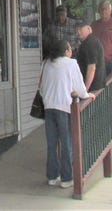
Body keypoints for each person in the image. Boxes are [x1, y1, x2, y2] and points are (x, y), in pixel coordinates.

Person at [40, 39, 95, 189]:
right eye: (70, 48)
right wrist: (86, 95)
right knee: (66, 143)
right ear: (65, 51)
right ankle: (66, 178)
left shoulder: (46, 63)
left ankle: (52, 176)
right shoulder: (71, 64)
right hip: (64, 107)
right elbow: (79, 86)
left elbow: (41, 87)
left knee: (52, 143)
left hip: (49, 107)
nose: (71, 50)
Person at [75, 21, 106, 91]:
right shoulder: (87, 42)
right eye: (77, 30)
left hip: (93, 87)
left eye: (80, 29)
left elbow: (92, 67)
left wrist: (85, 90)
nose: (78, 32)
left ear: (89, 29)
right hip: (94, 86)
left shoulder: (90, 43)